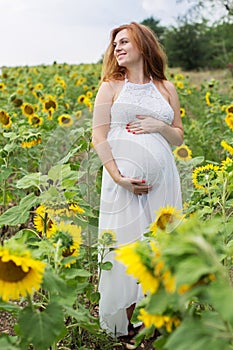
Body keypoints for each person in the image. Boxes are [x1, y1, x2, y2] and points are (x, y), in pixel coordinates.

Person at [92, 22, 183, 339]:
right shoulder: (111, 87)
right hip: (122, 183)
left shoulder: (166, 88)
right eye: (114, 43)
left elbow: (178, 138)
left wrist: (159, 126)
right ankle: (126, 327)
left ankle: (154, 320)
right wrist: (118, 177)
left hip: (164, 182)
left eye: (124, 42)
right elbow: (98, 134)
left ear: (143, 46)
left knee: (158, 245)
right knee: (125, 245)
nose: (117, 47)